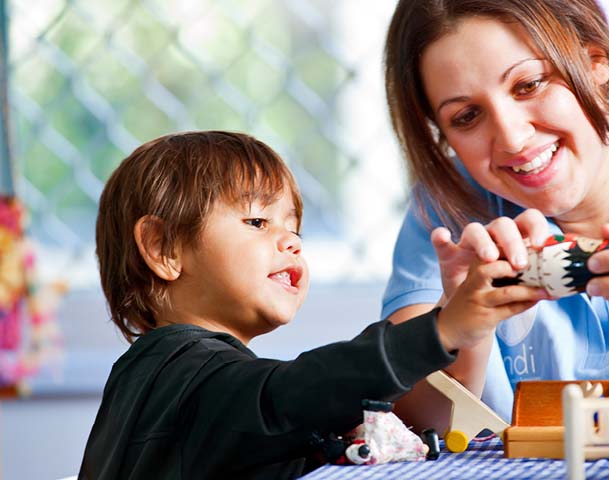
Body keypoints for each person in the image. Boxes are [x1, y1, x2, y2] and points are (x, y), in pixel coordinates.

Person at [78, 131, 542, 479]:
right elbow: (294, 395)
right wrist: (439, 330)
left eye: (295, 229)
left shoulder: (192, 379)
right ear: (164, 249)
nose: (291, 243)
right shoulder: (176, 373)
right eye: (258, 221)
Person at [382, 0, 609, 427]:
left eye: (529, 85)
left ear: (595, 61)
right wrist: (458, 330)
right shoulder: (446, 212)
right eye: (467, 116)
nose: (512, 137)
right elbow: (409, 420)